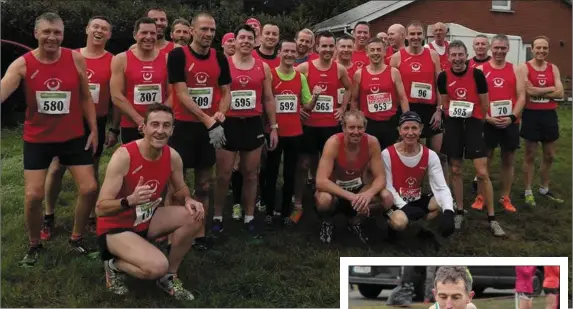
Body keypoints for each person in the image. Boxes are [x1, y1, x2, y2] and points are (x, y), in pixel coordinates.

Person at [0, 12, 99, 266]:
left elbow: (86, 97)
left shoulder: (75, 59)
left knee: (89, 188)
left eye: (57, 32)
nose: (51, 37)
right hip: (38, 138)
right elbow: (3, 89)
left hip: (73, 136)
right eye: (46, 32)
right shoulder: (22, 64)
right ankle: (34, 244)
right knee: (33, 196)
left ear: (63, 35)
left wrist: (94, 129)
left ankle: (76, 239)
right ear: (36, 34)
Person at [95, 104, 201, 300]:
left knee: (194, 215)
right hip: (116, 226)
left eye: (166, 125)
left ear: (172, 130)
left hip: (145, 219)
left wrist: (189, 200)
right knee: (156, 267)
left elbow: (180, 189)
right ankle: (113, 265)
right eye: (154, 124)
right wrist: (129, 200)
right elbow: (100, 208)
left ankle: (170, 276)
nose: (160, 131)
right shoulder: (124, 156)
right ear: (143, 127)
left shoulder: (172, 156)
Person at [41, 16, 118, 241]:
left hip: (97, 122)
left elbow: (115, 97)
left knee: (92, 171)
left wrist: (114, 129)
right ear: (87, 29)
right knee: (56, 168)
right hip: (68, 121)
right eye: (96, 26)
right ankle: (48, 215)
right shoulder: (70, 56)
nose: (99, 31)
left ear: (109, 35)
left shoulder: (113, 61)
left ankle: (92, 215)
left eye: (105, 28)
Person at [167, 12, 230, 250]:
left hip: (209, 127)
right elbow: (182, 95)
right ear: (192, 31)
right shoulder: (177, 55)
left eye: (212, 30)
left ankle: (199, 233)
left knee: (204, 184)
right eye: (204, 29)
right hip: (183, 127)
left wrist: (220, 114)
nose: (208, 34)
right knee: (177, 186)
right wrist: (207, 119)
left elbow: (225, 92)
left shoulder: (219, 57)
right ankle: (172, 233)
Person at [210, 24, 278, 235]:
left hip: (253, 124)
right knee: (223, 174)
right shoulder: (224, 64)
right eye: (242, 38)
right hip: (229, 123)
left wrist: (273, 127)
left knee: (251, 174)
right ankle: (218, 216)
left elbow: (268, 98)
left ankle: (249, 216)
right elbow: (216, 95)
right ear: (235, 41)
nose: (246, 41)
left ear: (255, 41)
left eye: (250, 38)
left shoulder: (262, 67)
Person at [437, 40, 505, 236]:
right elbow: (445, 103)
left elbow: (485, 104)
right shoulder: (442, 77)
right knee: (456, 169)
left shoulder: (477, 74)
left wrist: (474, 118)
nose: (457, 58)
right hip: (454, 124)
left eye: (460, 54)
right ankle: (459, 210)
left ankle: (492, 218)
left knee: (482, 172)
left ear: (466, 56)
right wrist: (455, 113)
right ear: (448, 57)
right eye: (453, 55)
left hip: (474, 123)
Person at [294, 31, 352, 224]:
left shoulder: (339, 70)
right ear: (316, 48)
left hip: (330, 126)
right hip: (309, 125)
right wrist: (298, 109)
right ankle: (298, 204)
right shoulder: (304, 67)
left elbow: (349, 88)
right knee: (303, 165)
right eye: (323, 46)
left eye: (330, 46)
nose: (327, 49)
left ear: (334, 48)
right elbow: (289, 87)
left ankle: (328, 200)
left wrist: (343, 108)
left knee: (331, 166)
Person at [261, 39, 320, 225]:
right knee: (270, 172)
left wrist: (316, 96)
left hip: (295, 133)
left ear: (296, 55)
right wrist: (271, 127)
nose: (289, 54)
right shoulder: (270, 75)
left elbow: (307, 105)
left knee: (290, 173)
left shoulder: (299, 77)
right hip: (274, 132)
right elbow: (265, 102)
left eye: (292, 52)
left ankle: (286, 210)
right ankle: (269, 210)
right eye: (285, 51)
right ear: (279, 53)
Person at [314, 110, 395, 244]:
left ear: (365, 127)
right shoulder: (333, 142)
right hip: (335, 191)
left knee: (387, 198)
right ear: (344, 127)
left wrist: (368, 194)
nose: (356, 132)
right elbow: (321, 181)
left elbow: (381, 177)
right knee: (324, 200)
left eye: (360, 127)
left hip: (359, 189)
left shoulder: (372, 142)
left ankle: (355, 222)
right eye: (351, 127)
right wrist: (352, 197)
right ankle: (327, 221)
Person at [472, 34, 526, 213]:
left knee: (508, 160)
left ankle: (505, 197)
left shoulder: (516, 69)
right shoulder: (480, 69)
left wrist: (511, 117)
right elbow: (476, 98)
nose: (499, 51)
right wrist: (487, 117)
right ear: (490, 48)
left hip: (510, 122)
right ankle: (481, 196)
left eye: (503, 48)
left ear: (508, 49)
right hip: (488, 121)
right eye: (496, 48)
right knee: (484, 159)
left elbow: (522, 97)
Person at [381, 111, 455, 236]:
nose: (410, 133)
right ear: (399, 131)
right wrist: (404, 206)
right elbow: (387, 186)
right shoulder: (387, 154)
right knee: (400, 223)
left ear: (420, 130)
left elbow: (441, 187)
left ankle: (418, 224)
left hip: (416, 198)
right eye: (406, 128)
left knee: (441, 202)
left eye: (414, 128)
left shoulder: (430, 155)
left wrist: (449, 211)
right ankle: (391, 223)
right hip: (396, 201)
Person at [518, 35, 564, 206]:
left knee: (550, 155)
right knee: (530, 154)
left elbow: (560, 93)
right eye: (538, 47)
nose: (541, 51)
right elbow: (528, 92)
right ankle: (528, 190)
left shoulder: (553, 68)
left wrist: (539, 90)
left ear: (548, 50)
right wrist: (551, 89)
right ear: (532, 48)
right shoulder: (524, 67)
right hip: (531, 114)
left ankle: (544, 188)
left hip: (549, 115)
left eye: (544, 48)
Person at [111, 17, 170, 144]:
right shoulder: (121, 59)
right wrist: (140, 121)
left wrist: (158, 119)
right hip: (131, 125)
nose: (149, 37)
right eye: (144, 33)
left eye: (153, 33)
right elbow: (116, 95)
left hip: (160, 125)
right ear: (135, 35)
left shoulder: (166, 59)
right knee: (133, 162)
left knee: (160, 161)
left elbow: (172, 94)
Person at [390, 21, 443, 154]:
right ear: (406, 36)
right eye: (412, 34)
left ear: (424, 35)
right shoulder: (396, 57)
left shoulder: (433, 55)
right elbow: (392, 87)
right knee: (411, 151)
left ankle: (437, 174)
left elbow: (439, 85)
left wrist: (439, 110)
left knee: (437, 153)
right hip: (407, 108)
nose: (416, 37)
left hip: (430, 109)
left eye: (419, 33)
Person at [352, 37, 409, 149]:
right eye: (372, 50)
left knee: (390, 157)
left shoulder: (393, 72)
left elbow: (403, 98)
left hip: (390, 122)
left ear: (384, 52)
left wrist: (406, 121)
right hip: (368, 123)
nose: (375, 53)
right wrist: (355, 122)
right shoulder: (359, 74)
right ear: (367, 53)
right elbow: (354, 99)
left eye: (379, 50)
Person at [336, 35, 359, 106]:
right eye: (343, 46)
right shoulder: (329, 68)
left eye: (349, 47)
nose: (346, 50)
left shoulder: (359, 71)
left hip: (353, 111)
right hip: (333, 111)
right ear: (337, 48)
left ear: (354, 48)